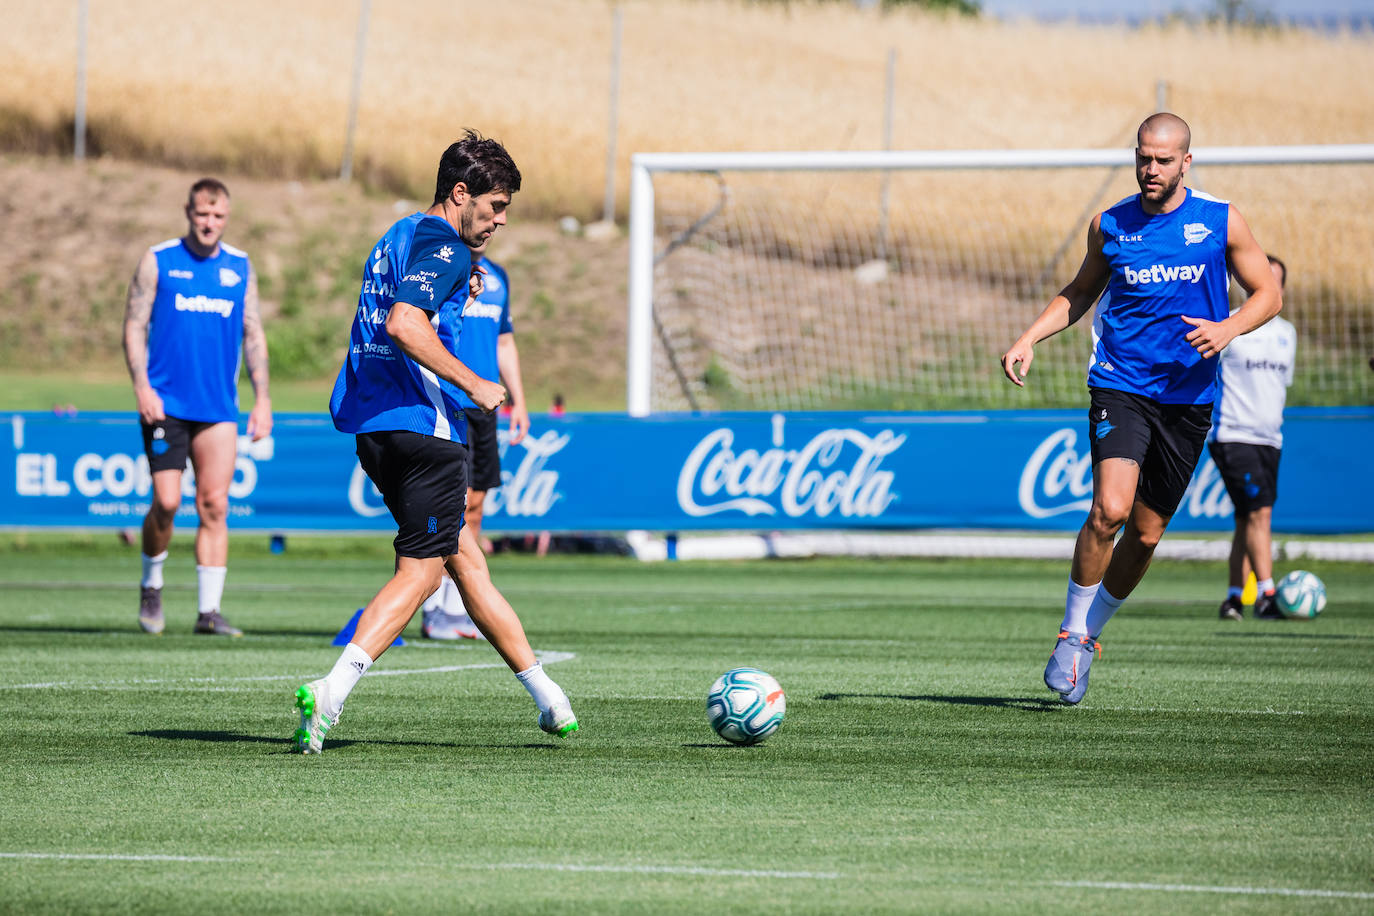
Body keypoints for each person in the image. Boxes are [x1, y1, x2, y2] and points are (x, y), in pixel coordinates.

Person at [293, 131, 577, 754]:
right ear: (460, 193)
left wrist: (456, 292)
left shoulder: (398, 235)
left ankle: (548, 696)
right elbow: (403, 322)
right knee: (421, 573)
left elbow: (395, 309)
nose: (500, 220)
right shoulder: (445, 249)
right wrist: (476, 382)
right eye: (495, 206)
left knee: (465, 561)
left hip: (374, 428)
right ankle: (333, 691)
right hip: (425, 429)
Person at [1000, 113, 1282, 705]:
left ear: (1186, 161)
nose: (1150, 169)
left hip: (1190, 398)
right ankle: (1070, 631)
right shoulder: (1110, 225)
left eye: (1162, 159)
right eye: (1142, 158)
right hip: (1121, 385)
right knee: (1110, 510)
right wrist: (1029, 337)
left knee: (1147, 535)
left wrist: (1227, 329)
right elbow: (1080, 292)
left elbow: (1269, 293)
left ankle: (1089, 639)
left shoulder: (1219, 219)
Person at [122, 178, 272, 637]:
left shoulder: (240, 267)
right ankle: (152, 584)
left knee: (214, 504)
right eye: (202, 215)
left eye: (218, 216)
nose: (210, 223)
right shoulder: (159, 259)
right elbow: (133, 326)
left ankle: (208, 612)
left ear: (227, 217)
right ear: (189, 212)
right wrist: (142, 387)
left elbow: (253, 334)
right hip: (165, 405)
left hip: (219, 407)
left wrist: (263, 399)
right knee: (166, 502)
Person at [420, 236, 531, 640]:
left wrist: (518, 400)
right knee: (449, 505)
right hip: (449, 398)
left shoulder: (498, 278)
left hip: (486, 406)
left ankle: (457, 607)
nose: (492, 225)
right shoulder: (443, 269)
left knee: (477, 504)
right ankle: (432, 607)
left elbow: (504, 342)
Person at [1209, 254, 1297, 621]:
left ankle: (1233, 597)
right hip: (1232, 434)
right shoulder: (1228, 325)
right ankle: (1266, 595)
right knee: (1260, 513)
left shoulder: (1286, 334)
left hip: (1269, 437)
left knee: (1248, 519)